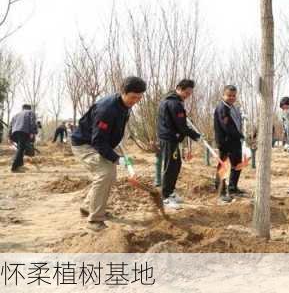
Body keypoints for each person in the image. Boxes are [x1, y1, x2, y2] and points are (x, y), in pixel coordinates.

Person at [71, 76, 146, 231]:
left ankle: (88, 206)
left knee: (110, 174)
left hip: (99, 143)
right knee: (105, 173)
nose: (135, 101)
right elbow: (98, 141)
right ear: (123, 92)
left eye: (139, 98)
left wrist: (116, 149)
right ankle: (95, 221)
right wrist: (116, 158)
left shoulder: (124, 106)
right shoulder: (107, 109)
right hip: (85, 144)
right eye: (133, 97)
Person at [157, 79, 202, 210]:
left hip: (172, 138)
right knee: (170, 166)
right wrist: (196, 136)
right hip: (169, 138)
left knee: (176, 165)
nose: (187, 95)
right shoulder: (174, 103)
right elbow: (182, 126)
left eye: (189, 93)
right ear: (178, 88)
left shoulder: (173, 101)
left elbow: (180, 123)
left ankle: (170, 192)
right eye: (186, 92)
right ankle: (165, 197)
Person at [214, 85, 245, 203]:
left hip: (236, 141)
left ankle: (233, 188)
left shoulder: (234, 108)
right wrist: (241, 136)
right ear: (223, 95)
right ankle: (220, 192)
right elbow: (228, 127)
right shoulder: (222, 108)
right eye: (229, 95)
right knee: (223, 167)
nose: (232, 98)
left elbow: (237, 123)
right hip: (226, 142)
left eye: (233, 96)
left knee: (238, 165)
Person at [7, 104, 38, 173]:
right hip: (23, 132)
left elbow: (11, 125)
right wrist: (33, 132)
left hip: (14, 133)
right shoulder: (31, 112)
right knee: (21, 149)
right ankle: (14, 167)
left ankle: (20, 165)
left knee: (21, 148)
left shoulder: (16, 114)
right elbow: (32, 122)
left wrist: (9, 136)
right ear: (29, 108)